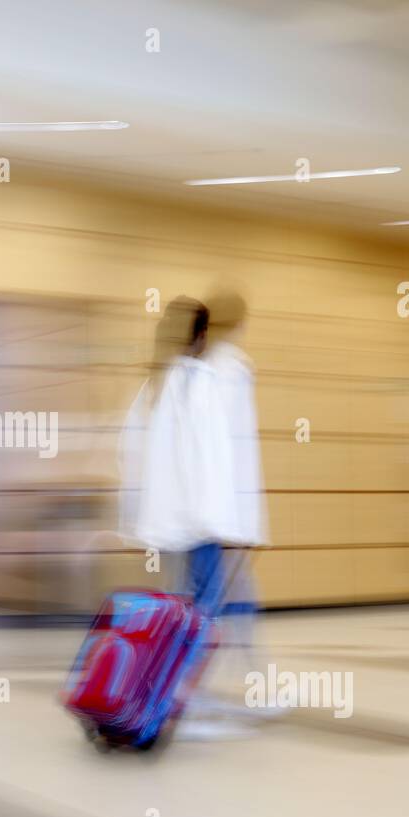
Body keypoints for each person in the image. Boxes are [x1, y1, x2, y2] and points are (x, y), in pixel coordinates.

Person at [119, 292, 267, 739]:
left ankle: (169, 696)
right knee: (201, 614)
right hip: (198, 522)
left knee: (185, 609)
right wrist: (228, 525)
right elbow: (211, 460)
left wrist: (145, 518)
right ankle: (178, 699)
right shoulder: (197, 382)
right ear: (202, 335)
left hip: (167, 526)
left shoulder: (155, 383)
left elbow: (129, 455)